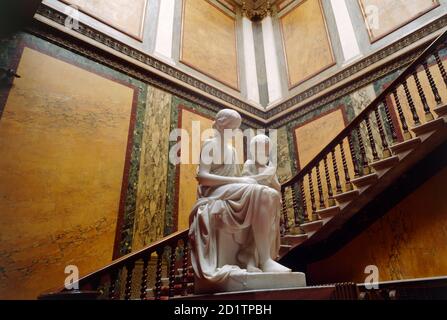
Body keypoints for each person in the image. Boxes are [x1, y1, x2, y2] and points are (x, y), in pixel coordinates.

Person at [188, 109, 290, 288]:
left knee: (270, 194)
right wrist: (239, 180)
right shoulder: (209, 145)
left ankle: (255, 255)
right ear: (220, 124)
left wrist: (248, 180)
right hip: (213, 193)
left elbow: (240, 183)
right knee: (260, 192)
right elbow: (202, 177)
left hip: (228, 190)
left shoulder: (232, 151)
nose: (235, 132)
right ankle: (264, 260)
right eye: (232, 127)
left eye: (236, 129)